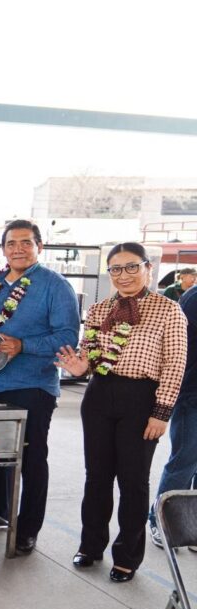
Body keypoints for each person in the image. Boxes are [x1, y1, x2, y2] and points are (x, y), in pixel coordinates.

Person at [55, 243, 186, 582]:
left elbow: (175, 365)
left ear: (148, 269)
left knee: (133, 481)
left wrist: (161, 412)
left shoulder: (168, 310)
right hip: (98, 395)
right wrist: (80, 367)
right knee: (96, 477)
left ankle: (127, 556)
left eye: (131, 267)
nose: (123, 275)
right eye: (116, 268)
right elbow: (89, 356)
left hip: (141, 400)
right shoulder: (100, 309)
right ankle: (90, 545)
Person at [0, 219, 80, 556]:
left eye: (26, 242)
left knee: (31, 458)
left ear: (40, 246)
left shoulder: (55, 286)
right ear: (3, 248)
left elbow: (68, 336)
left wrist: (23, 345)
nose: (18, 249)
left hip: (33, 385)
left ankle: (28, 528)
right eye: (11, 243)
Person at [149, 280, 197, 552]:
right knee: (183, 462)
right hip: (192, 397)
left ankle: (192, 527)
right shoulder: (194, 299)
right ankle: (162, 522)